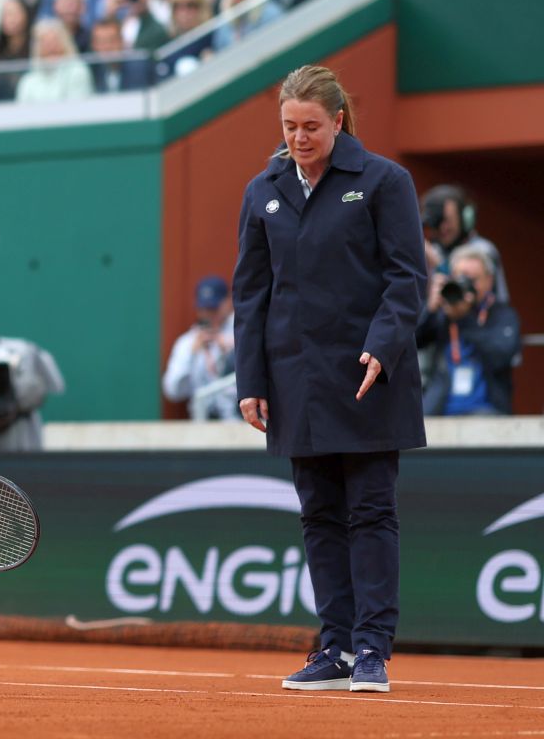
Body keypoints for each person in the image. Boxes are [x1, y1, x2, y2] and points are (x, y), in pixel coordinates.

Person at [233, 65, 426, 695]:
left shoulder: (383, 181)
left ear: (338, 121)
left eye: (310, 126)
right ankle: (335, 647)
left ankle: (372, 647)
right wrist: (251, 378)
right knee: (318, 513)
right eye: (289, 126)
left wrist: (382, 347)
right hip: (295, 380)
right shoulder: (261, 190)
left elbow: (406, 279)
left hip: (370, 375)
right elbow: (251, 295)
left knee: (370, 510)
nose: (298, 137)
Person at [416, 245, 520, 416]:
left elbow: (501, 355)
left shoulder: (502, 314)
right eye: (460, 278)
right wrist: (430, 309)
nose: (465, 285)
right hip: (439, 410)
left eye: (472, 279)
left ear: (489, 280)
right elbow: (410, 343)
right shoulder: (445, 312)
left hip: (488, 412)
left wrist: (465, 318)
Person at [162, 275, 237, 419]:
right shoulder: (187, 342)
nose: (209, 314)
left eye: (214, 308)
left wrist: (232, 350)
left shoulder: (242, 334)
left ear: (228, 302)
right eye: (204, 308)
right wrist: (192, 355)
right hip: (203, 422)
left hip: (242, 419)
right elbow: (173, 391)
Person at [420, 184, 509, 303]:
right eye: (437, 222)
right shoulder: (433, 250)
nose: (443, 228)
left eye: (447, 220)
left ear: (465, 217)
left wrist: (438, 264)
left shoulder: (483, 249)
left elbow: (466, 296)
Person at [15, 18, 93, 103]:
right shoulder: (28, 80)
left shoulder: (77, 70)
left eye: (54, 41)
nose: (50, 48)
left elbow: (78, 106)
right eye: (45, 43)